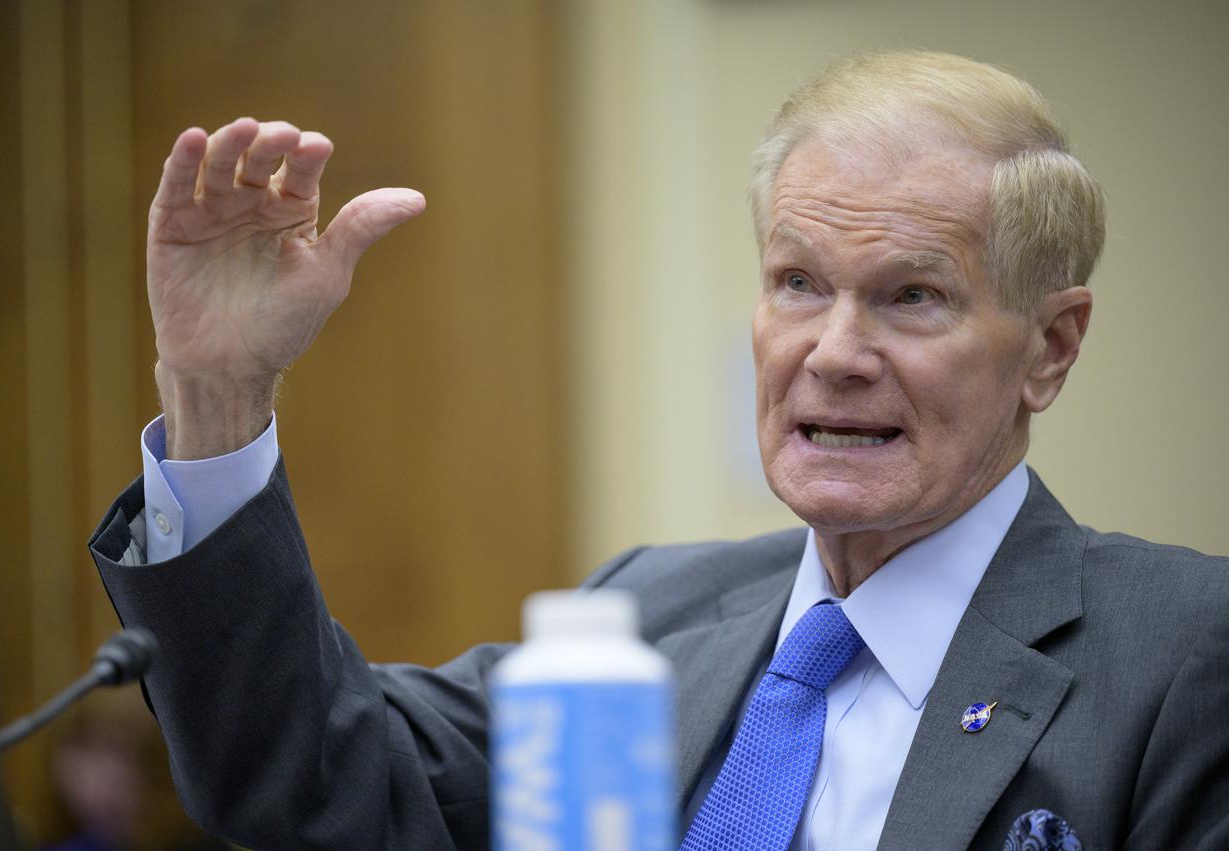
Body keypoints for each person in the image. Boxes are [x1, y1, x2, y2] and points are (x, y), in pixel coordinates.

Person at [87, 51, 1229, 850]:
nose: (832, 351)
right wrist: (217, 388)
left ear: (1048, 345)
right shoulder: (646, 610)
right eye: (796, 282)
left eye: (911, 296)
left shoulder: (1181, 656)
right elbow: (302, 775)